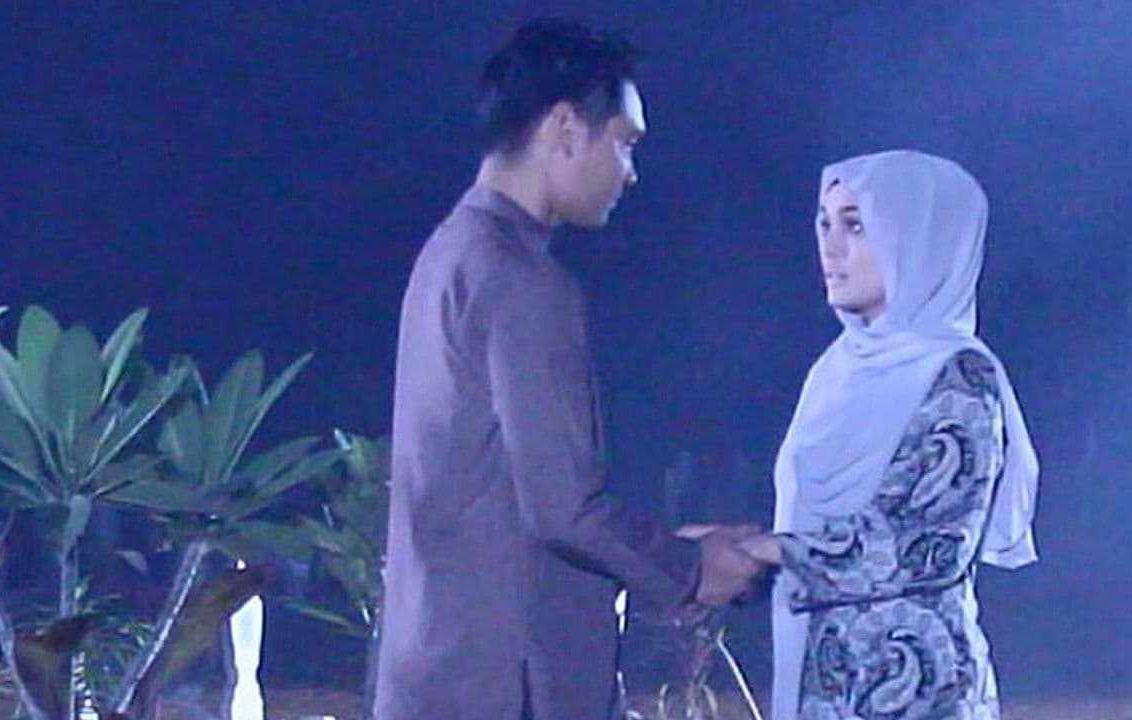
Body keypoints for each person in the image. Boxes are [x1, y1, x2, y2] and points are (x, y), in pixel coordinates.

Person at [373, 18, 765, 720]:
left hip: (438, 672)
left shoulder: (451, 253)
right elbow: (562, 509)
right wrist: (693, 571)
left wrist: (669, 547)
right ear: (564, 129)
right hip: (510, 684)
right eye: (624, 142)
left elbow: (499, 496)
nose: (630, 171)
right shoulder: (522, 279)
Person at [741, 150, 1040, 719]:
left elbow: (925, 547)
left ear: (919, 238)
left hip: (921, 689)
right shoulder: (835, 371)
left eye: (856, 226)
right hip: (826, 681)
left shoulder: (959, 375)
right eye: (824, 223)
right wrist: (741, 556)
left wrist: (769, 552)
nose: (830, 247)